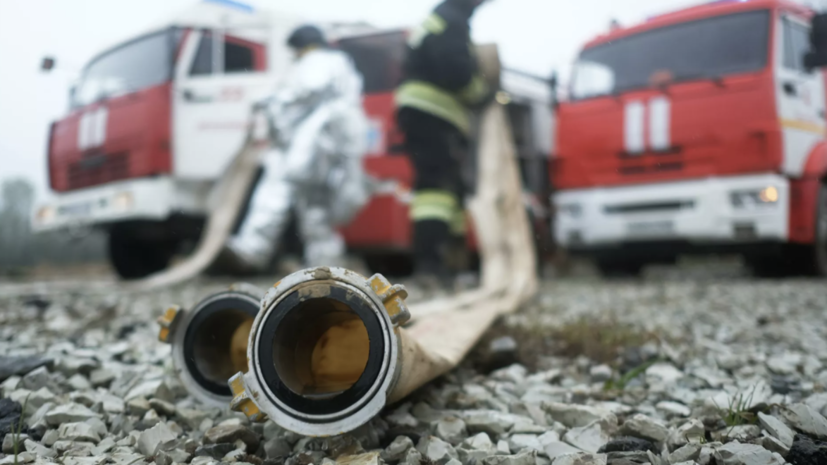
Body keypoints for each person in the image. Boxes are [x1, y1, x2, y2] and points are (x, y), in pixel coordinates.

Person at [219, 25, 370, 273]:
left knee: (278, 189)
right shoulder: (342, 65)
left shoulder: (318, 61)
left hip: (315, 144)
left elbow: (307, 89)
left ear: (302, 47)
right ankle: (324, 263)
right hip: (334, 147)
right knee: (315, 207)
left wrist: (270, 100)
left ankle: (252, 249)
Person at [395, 0, 494, 282]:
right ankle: (430, 265)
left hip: (428, 113)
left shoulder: (442, 17)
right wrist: (480, 94)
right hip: (432, 112)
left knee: (450, 190)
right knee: (435, 189)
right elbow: (456, 71)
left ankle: (451, 264)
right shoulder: (451, 19)